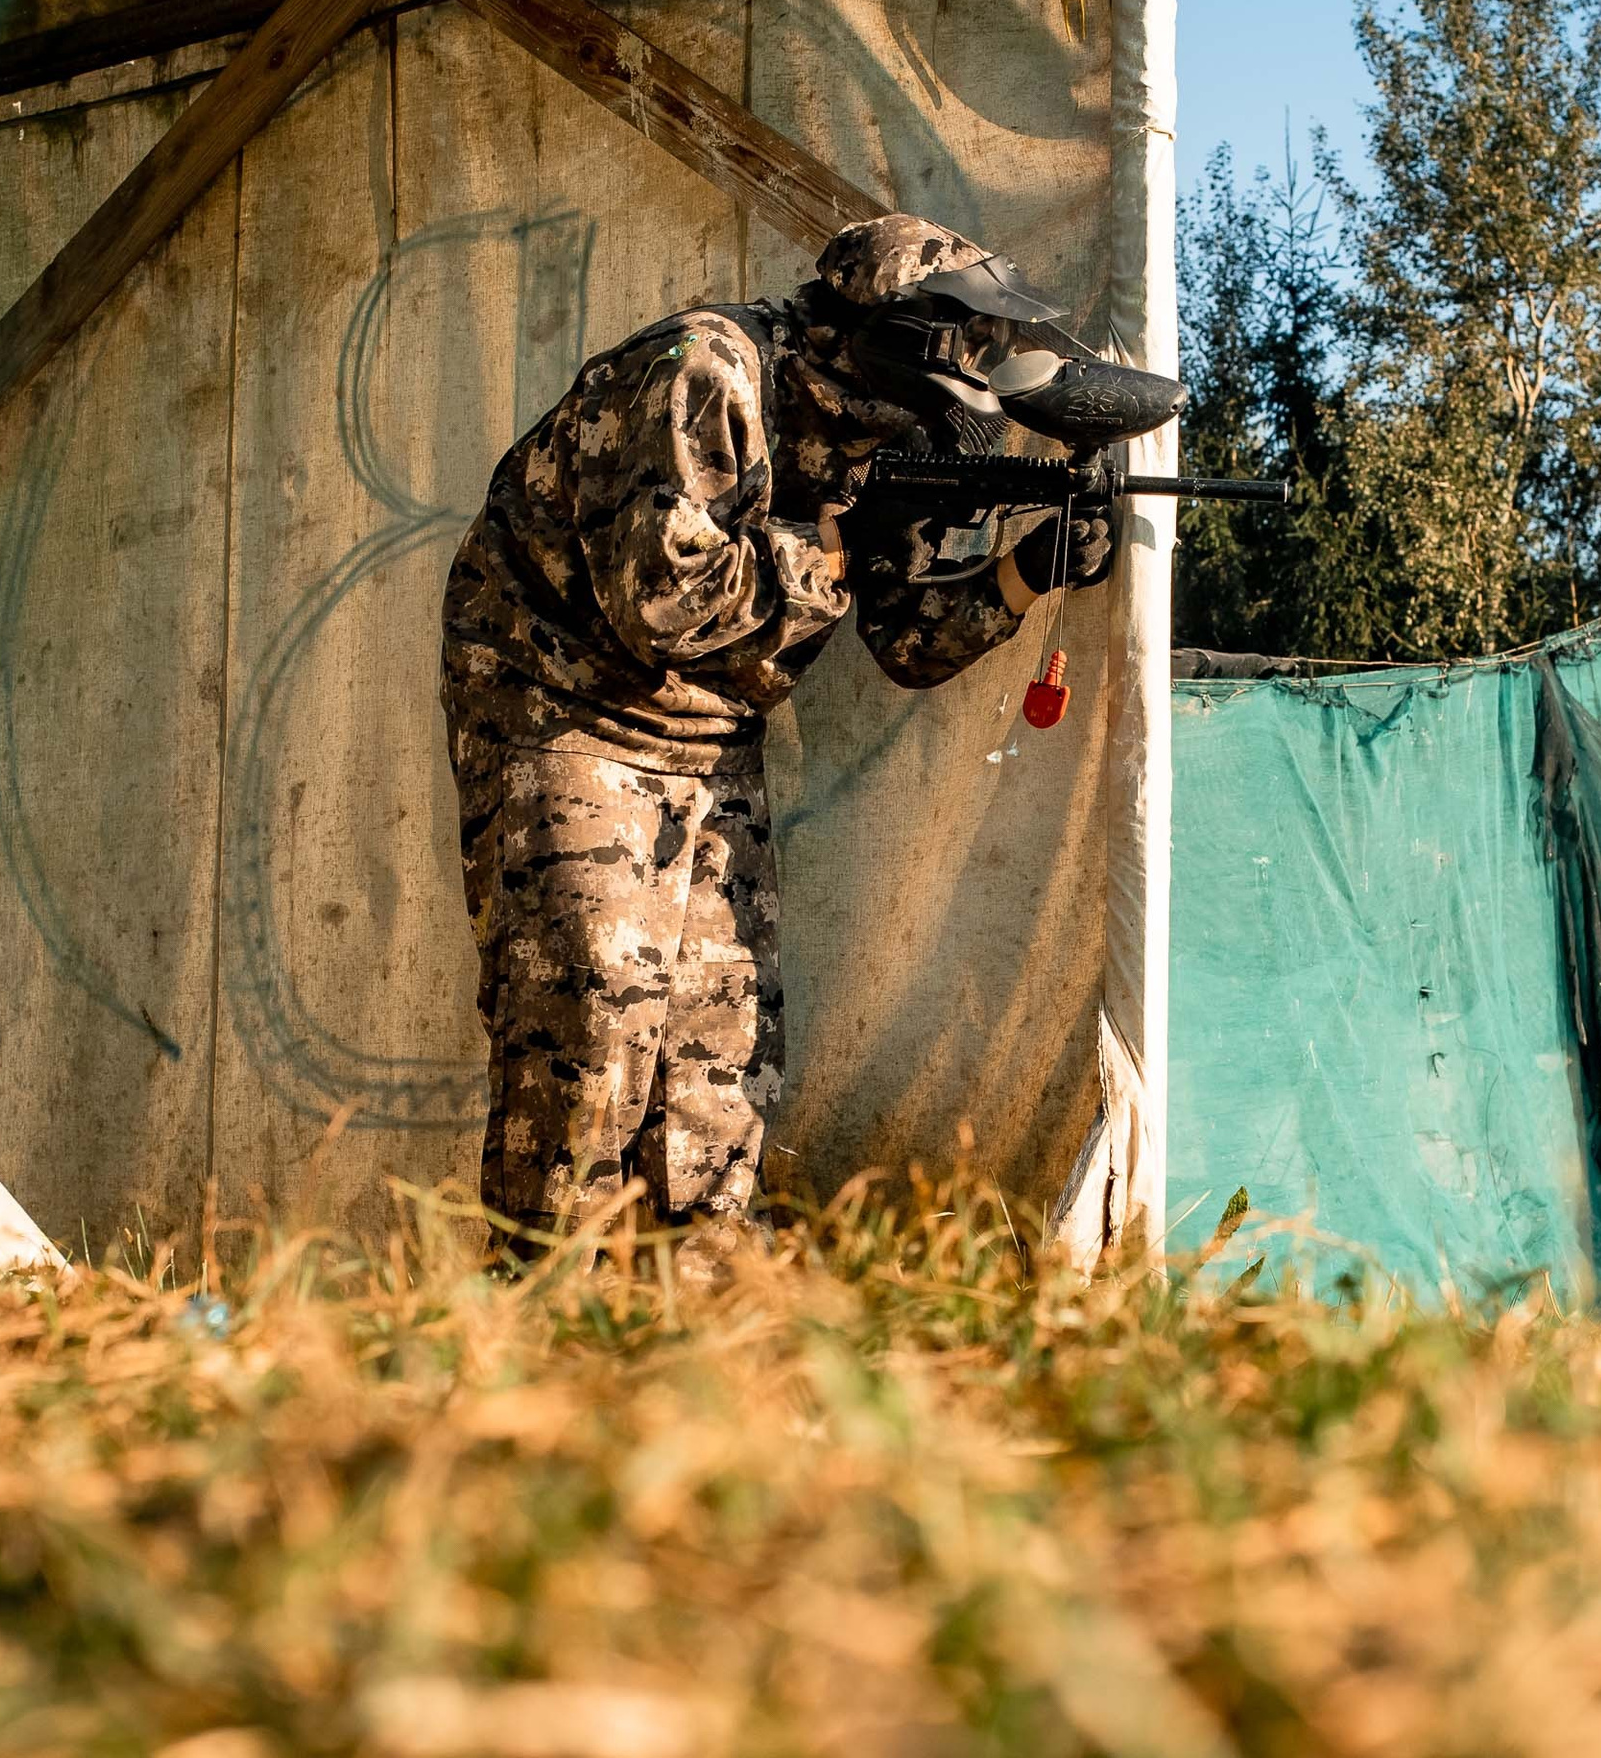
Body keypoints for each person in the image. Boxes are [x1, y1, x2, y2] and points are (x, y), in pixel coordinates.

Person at [441, 212, 1183, 1245]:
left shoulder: (876, 433)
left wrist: (1028, 567)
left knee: (718, 1050)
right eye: (968, 349)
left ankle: (690, 1335)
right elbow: (663, 598)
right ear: (903, 337)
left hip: (706, 737)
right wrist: (826, 545)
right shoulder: (705, 369)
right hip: (563, 712)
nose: (975, 383)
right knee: (591, 1024)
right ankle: (529, 1332)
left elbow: (906, 640)